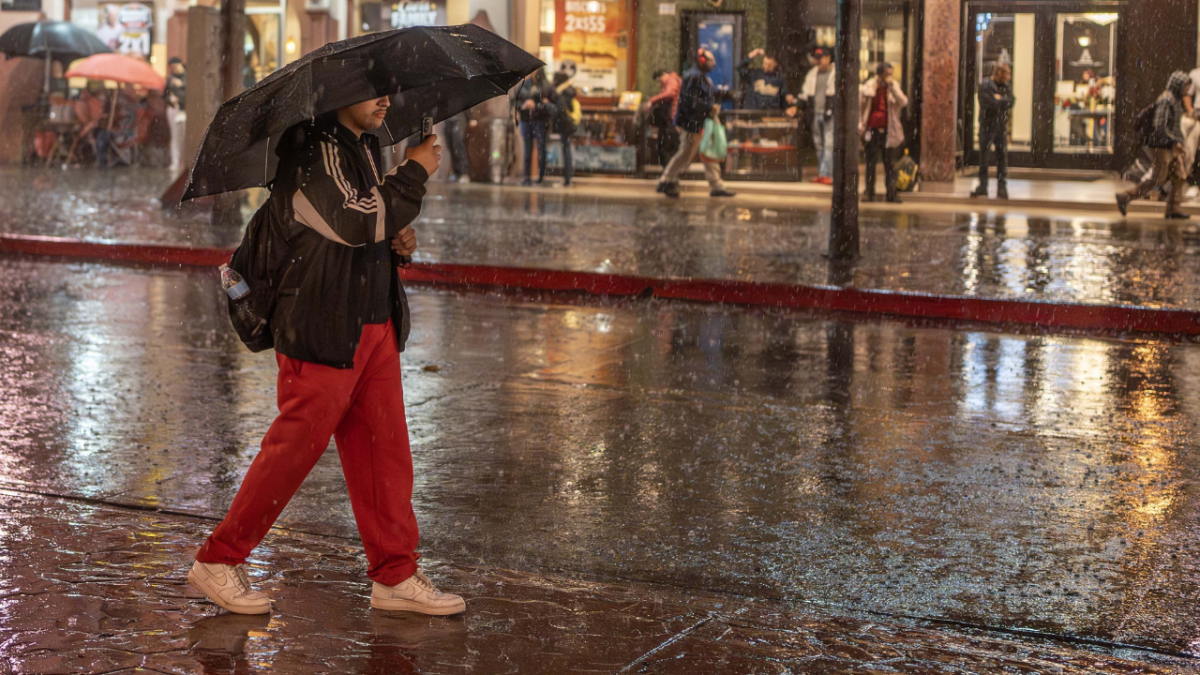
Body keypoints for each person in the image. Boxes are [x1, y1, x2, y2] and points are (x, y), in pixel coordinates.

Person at [188, 93, 467, 616]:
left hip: (370, 322)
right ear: (339, 94)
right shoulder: (312, 152)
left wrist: (394, 241)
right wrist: (412, 173)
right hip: (323, 325)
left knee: (386, 454)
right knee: (292, 451)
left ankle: (396, 574)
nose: (386, 100)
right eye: (372, 92)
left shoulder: (359, 146)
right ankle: (219, 559)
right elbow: (354, 219)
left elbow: (364, 232)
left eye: (389, 89)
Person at [656, 49, 736, 199]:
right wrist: (709, 107)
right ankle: (667, 179)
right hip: (693, 123)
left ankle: (715, 185)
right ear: (702, 61)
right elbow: (692, 101)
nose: (713, 64)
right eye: (710, 61)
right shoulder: (694, 76)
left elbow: (704, 95)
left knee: (708, 154)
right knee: (686, 154)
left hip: (701, 121)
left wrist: (723, 95)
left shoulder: (699, 77)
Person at [1116, 71, 1192, 219]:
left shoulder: (1175, 100)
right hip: (1161, 146)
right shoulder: (1166, 100)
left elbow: (1174, 126)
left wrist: (1178, 142)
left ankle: (1173, 209)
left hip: (1171, 146)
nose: (1187, 89)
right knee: (1158, 178)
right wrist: (1174, 142)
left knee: (1179, 176)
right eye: (1185, 85)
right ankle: (1125, 197)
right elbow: (1159, 126)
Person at [858, 62, 908, 203]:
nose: (889, 77)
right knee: (870, 162)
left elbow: (903, 101)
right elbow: (861, 107)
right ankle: (869, 191)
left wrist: (892, 87)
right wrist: (861, 128)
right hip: (872, 129)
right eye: (887, 74)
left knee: (889, 162)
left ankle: (891, 193)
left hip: (888, 130)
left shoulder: (893, 86)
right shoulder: (869, 87)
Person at [972, 63, 1014, 200]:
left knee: (1001, 156)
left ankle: (1001, 187)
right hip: (987, 125)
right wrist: (1001, 102)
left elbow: (1011, 101)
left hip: (1000, 126)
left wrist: (999, 100)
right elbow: (987, 102)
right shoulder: (985, 85)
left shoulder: (1005, 87)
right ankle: (983, 186)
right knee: (984, 156)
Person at [799, 47, 836, 184]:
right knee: (819, 144)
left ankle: (827, 173)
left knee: (829, 144)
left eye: (821, 58)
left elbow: (834, 96)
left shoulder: (835, 73)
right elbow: (805, 94)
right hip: (816, 113)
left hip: (829, 114)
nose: (818, 61)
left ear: (828, 58)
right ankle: (822, 173)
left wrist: (830, 109)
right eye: (817, 58)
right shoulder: (812, 74)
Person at [513, 69, 552, 186]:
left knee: (541, 147)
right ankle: (527, 177)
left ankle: (540, 176)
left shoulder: (545, 85)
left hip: (539, 119)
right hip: (526, 119)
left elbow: (548, 104)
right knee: (527, 149)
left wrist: (536, 105)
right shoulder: (525, 84)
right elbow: (516, 101)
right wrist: (524, 105)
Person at [645, 69, 682, 166]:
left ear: (663, 75)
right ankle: (670, 167)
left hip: (670, 118)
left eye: (659, 80)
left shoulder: (671, 80)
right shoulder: (674, 80)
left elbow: (669, 93)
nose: (660, 83)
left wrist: (652, 100)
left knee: (668, 142)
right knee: (668, 142)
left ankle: (669, 167)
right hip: (670, 118)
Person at [552, 69, 578, 187]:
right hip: (568, 124)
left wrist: (554, 113)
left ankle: (567, 179)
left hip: (564, 125)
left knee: (566, 150)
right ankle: (568, 178)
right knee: (567, 150)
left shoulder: (562, 92)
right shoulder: (568, 91)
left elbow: (560, 109)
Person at [166, 58, 187, 171]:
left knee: (184, 136)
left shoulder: (187, 76)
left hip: (185, 109)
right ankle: (175, 161)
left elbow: (191, 91)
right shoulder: (170, 78)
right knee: (175, 136)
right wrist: (170, 98)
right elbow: (166, 93)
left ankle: (184, 162)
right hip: (174, 108)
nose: (173, 70)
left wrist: (181, 85)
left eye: (174, 67)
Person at [443, 112, 471, 183]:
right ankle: (456, 172)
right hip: (447, 118)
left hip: (458, 119)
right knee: (450, 145)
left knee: (457, 145)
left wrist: (469, 119)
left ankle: (463, 172)